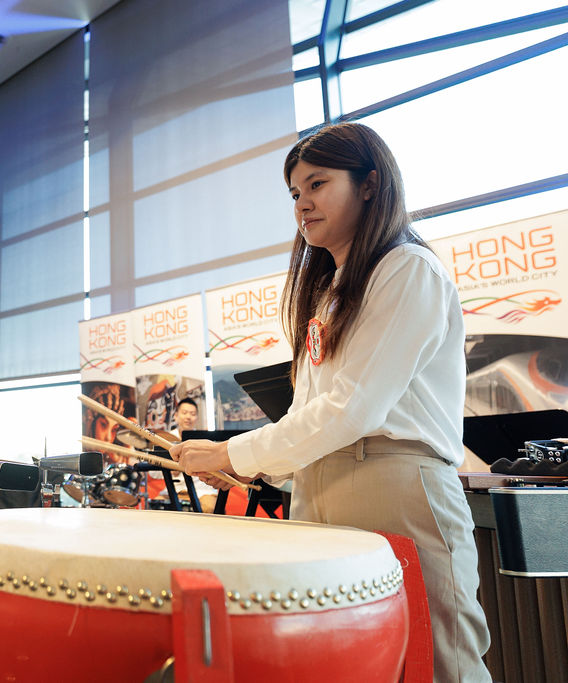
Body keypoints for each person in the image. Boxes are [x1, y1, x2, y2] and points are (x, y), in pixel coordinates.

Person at [170, 122, 490, 681]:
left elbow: (354, 410)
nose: (303, 203)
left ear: (369, 185)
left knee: (439, 661)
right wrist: (258, 471)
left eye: (317, 185)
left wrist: (230, 454)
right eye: (295, 193)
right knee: (351, 660)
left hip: (395, 483)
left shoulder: (406, 268)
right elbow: (314, 414)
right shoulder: (329, 290)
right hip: (322, 482)